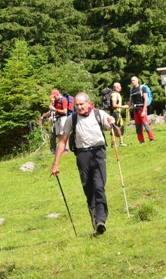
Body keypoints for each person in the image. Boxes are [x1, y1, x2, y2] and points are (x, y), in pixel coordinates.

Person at [50, 92, 115, 235]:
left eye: (81, 104)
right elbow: (62, 141)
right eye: (77, 105)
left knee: (99, 186)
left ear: (88, 103)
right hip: (82, 155)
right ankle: (95, 220)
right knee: (88, 189)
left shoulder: (99, 114)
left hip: (98, 153)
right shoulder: (71, 119)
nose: (79, 107)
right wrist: (55, 163)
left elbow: (113, 129)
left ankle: (101, 220)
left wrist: (112, 122)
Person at [129, 76, 155, 143]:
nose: (133, 82)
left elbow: (146, 99)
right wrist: (125, 106)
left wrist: (144, 110)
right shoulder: (131, 90)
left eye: (134, 80)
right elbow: (130, 101)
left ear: (137, 80)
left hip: (141, 108)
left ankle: (151, 138)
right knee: (138, 126)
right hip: (135, 110)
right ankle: (141, 140)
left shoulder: (142, 88)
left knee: (146, 124)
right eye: (132, 81)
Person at [110, 82, 129, 146]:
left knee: (121, 127)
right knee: (114, 127)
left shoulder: (117, 94)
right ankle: (113, 143)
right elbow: (114, 104)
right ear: (117, 87)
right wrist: (124, 106)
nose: (121, 87)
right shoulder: (114, 94)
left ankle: (121, 142)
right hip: (115, 113)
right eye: (120, 86)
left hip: (118, 113)